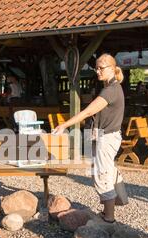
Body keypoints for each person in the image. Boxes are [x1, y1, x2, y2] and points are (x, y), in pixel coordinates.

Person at [53, 53, 126, 223]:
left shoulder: (111, 90)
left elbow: (88, 111)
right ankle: (109, 211)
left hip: (107, 138)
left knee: (102, 175)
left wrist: (64, 125)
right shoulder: (110, 87)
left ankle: (109, 218)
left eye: (101, 68)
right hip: (103, 136)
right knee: (101, 172)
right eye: (96, 68)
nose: (97, 71)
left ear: (112, 69)